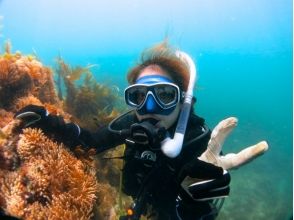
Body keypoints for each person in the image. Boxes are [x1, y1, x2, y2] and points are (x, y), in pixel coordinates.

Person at [15, 42, 268, 220]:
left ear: (182, 101)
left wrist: (192, 202)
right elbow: (89, 141)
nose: (148, 108)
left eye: (164, 95)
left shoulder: (199, 143)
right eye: (138, 96)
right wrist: (49, 120)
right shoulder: (130, 125)